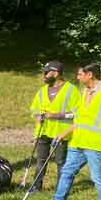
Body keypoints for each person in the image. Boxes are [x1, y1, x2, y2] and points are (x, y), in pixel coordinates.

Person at [45, 63, 101, 200]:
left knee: (97, 177)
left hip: (96, 144)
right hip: (78, 142)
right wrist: (64, 133)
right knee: (67, 172)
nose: (77, 77)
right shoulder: (84, 92)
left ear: (90, 75)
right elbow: (79, 119)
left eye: (80, 74)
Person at [27, 61, 80, 191]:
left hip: (61, 133)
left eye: (46, 72)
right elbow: (34, 109)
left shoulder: (71, 90)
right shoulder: (42, 91)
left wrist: (56, 115)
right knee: (40, 161)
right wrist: (37, 115)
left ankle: (60, 189)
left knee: (61, 163)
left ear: (55, 73)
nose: (43, 75)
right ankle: (35, 187)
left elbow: (76, 114)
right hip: (42, 131)